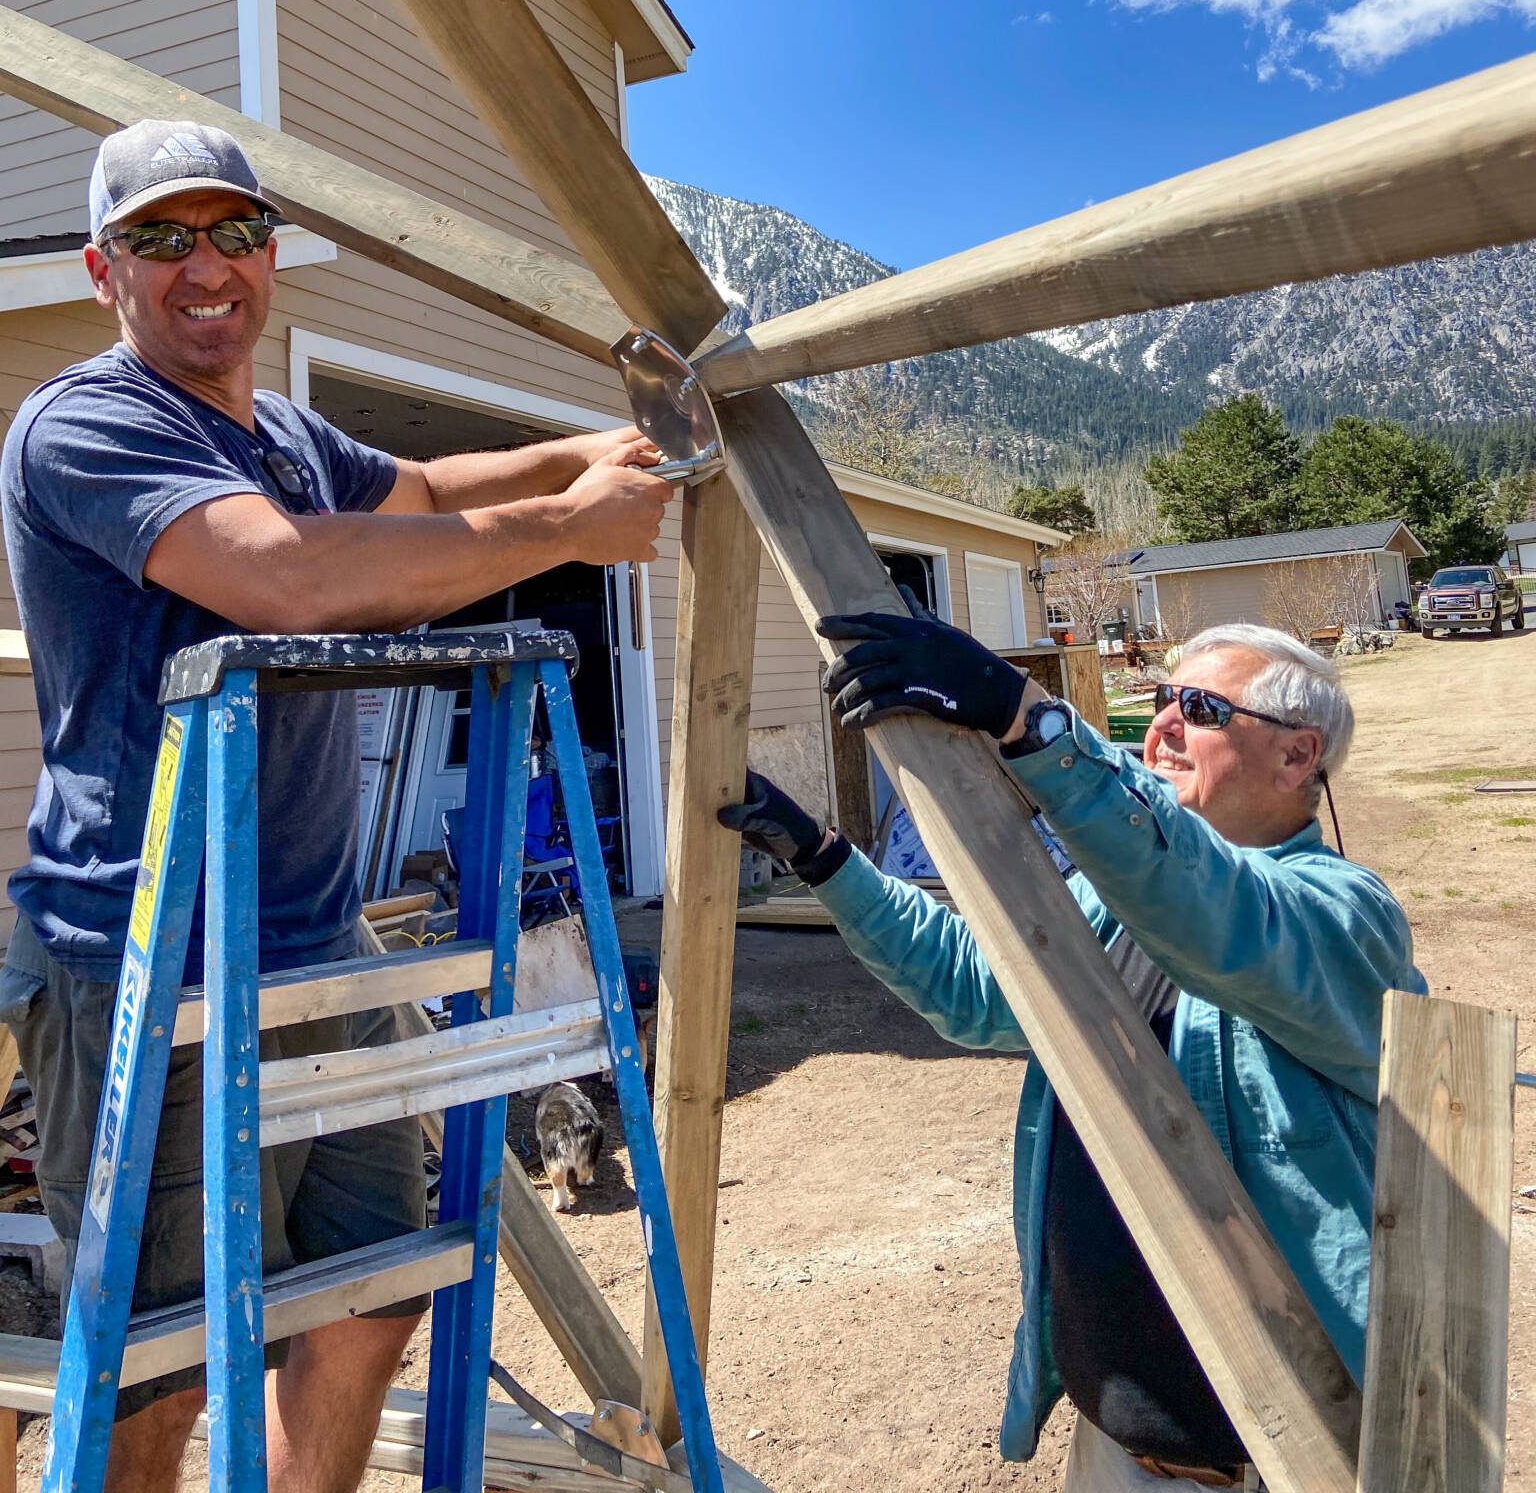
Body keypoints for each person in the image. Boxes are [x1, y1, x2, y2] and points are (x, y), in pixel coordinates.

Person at [0, 118, 678, 1493]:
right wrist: (568, 532)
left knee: (377, 1290)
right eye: (161, 238)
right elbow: (287, 581)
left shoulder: (286, 433)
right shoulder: (89, 423)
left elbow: (422, 488)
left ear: (268, 259)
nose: (207, 266)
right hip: (146, 955)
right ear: (101, 270)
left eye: (236, 232)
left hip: (316, 940)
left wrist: (586, 454)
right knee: (158, 1369)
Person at [722, 611, 1423, 1492]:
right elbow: (976, 990)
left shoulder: (1345, 918)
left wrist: (1031, 721)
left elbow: (1213, 907)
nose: (1162, 723)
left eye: (1199, 708)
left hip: (1293, 1463)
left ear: (1296, 757)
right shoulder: (1118, 899)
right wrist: (823, 856)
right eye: (1163, 697)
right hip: (1124, 1449)